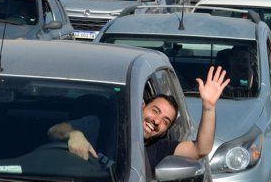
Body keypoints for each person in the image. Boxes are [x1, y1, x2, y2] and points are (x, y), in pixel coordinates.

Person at [48, 66, 230, 169]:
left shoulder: (160, 149)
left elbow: (201, 149)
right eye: (155, 111)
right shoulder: (104, 124)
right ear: (142, 106)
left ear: (165, 131)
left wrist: (209, 107)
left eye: (166, 121)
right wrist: (75, 134)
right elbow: (55, 130)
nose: (157, 121)